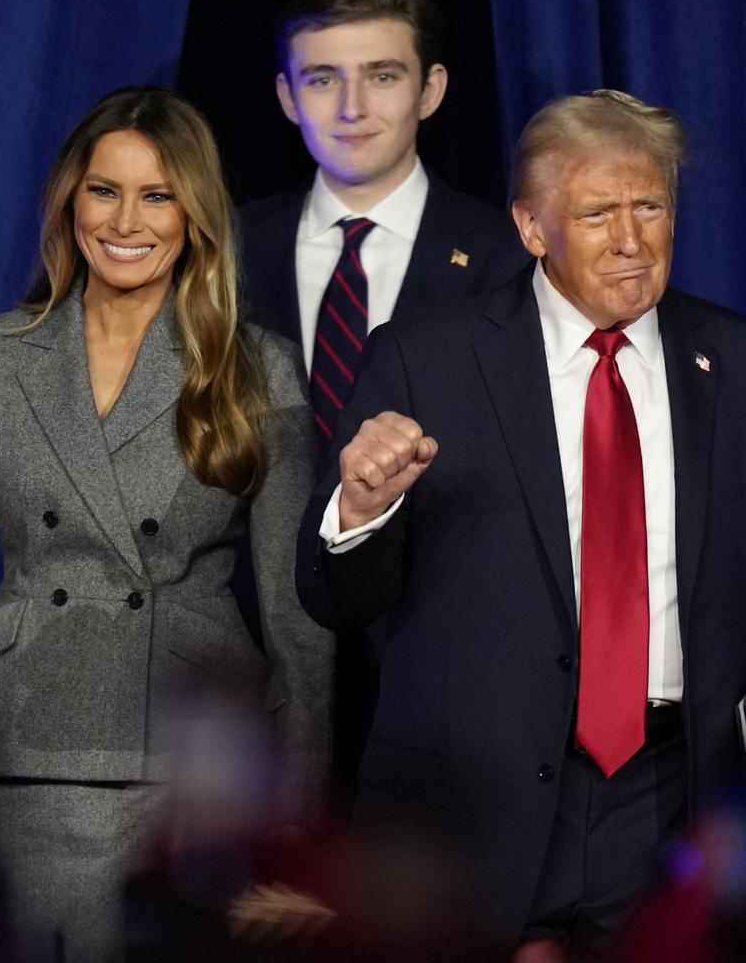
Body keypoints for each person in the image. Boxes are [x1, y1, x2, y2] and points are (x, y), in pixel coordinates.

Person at [295, 89, 746, 959]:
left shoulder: (732, 362)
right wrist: (360, 508)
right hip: (468, 812)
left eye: (650, 206)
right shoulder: (425, 358)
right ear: (532, 228)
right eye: (596, 213)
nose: (630, 238)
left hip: (670, 806)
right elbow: (333, 599)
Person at [0, 86, 333, 961]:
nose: (125, 219)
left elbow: (299, 625)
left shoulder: (257, 370)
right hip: (16, 742)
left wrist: (295, 839)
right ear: (70, 200)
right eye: (104, 190)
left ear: (194, 214)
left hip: (190, 766)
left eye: (157, 194)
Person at [239, 0, 529, 446]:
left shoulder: (504, 257)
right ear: (288, 97)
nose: (352, 108)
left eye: (383, 77)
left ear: (429, 91)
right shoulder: (230, 246)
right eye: (323, 80)